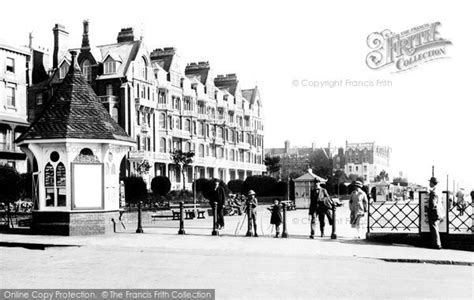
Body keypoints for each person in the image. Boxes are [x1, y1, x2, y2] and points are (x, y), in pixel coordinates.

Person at [428, 176, 442, 249]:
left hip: (434, 212)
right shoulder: (437, 191)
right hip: (438, 211)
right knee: (436, 227)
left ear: (432, 183)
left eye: (430, 182)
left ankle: (437, 244)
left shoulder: (433, 192)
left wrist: (429, 209)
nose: (429, 183)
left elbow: (432, 203)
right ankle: (437, 243)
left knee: (434, 228)